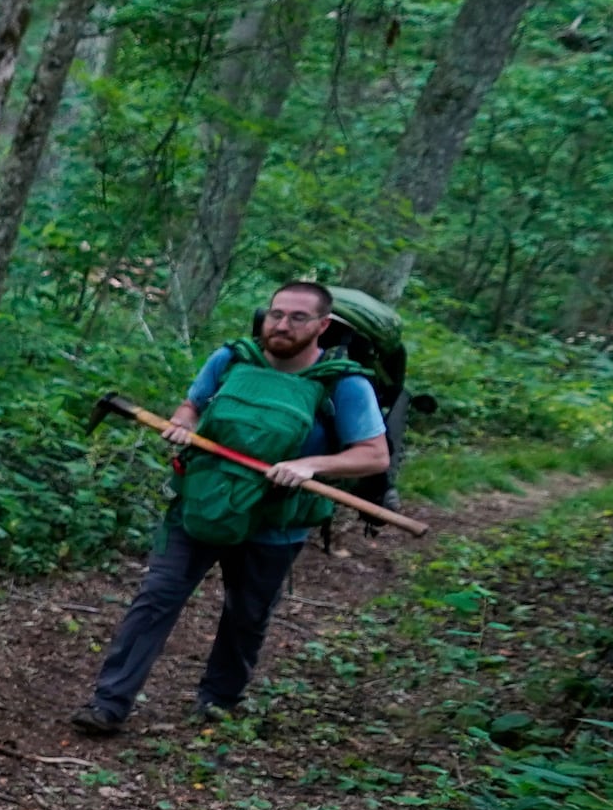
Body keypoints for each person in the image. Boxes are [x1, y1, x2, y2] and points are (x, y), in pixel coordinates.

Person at [70, 282, 393, 738]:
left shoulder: (344, 382)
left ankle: (219, 700)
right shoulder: (233, 359)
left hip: (274, 523)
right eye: (276, 314)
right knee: (155, 599)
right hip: (200, 504)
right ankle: (108, 704)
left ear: (323, 326)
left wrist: (310, 465)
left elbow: (374, 455)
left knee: (247, 614)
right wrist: (184, 426)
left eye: (298, 317)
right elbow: (192, 406)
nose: (281, 324)